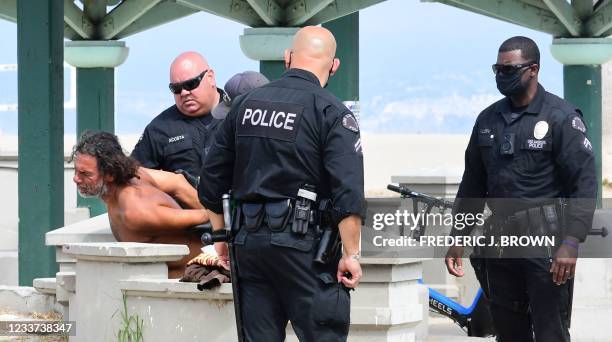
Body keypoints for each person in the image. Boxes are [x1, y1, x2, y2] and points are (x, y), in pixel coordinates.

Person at [199, 26, 364, 341]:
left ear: (287, 57)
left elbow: (210, 183)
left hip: (248, 247)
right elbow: (348, 193)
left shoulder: (244, 106)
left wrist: (221, 236)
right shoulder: (331, 111)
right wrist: (351, 255)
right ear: (334, 65)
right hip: (306, 250)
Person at [445, 36, 596, 341]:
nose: (502, 75)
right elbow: (473, 183)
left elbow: (584, 184)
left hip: (547, 248)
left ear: (533, 70)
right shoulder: (488, 119)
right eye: (497, 69)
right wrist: (458, 236)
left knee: (550, 332)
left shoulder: (560, 117)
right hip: (499, 245)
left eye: (509, 69)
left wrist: (572, 242)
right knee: (508, 333)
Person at [72, 130, 209, 278]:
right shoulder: (133, 174)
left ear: (110, 174)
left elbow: (207, 215)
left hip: (192, 278)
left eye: (85, 174)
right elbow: (178, 183)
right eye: (76, 171)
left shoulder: (136, 210)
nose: (76, 179)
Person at [131, 51, 223, 178]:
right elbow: (135, 178)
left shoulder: (240, 115)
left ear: (210, 78)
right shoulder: (159, 128)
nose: (184, 93)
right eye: (176, 89)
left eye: (190, 84)